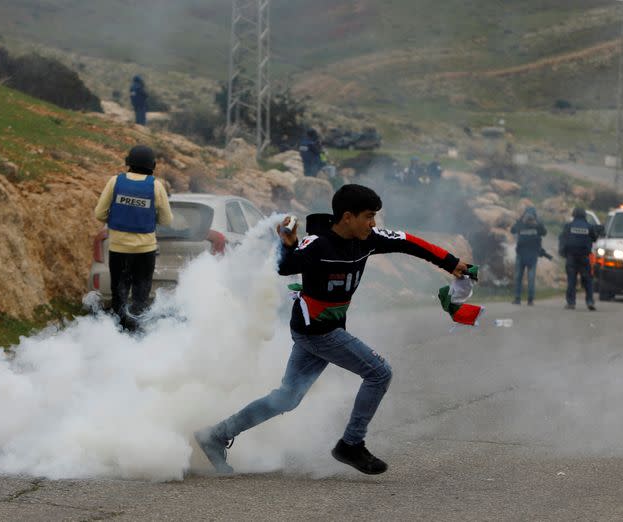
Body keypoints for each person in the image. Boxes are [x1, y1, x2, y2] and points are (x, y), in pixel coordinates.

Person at [195, 184, 469, 475]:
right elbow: (285, 267)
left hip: (319, 329)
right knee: (379, 373)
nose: (374, 223)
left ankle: (215, 435)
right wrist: (286, 243)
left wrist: (450, 263)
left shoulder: (368, 239)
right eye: (369, 216)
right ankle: (351, 444)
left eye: (375, 216)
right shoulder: (317, 244)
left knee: (286, 397)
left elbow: (409, 242)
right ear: (347, 217)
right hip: (318, 331)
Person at [94, 145, 172, 331]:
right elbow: (167, 220)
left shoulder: (115, 182)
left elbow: (99, 214)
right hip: (145, 252)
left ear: (128, 163)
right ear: (152, 165)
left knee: (119, 297)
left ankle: (118, 335)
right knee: (140, 298)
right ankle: (137, 337)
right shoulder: (156, 186)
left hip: (119, 251)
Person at [559, 208, 598, 311]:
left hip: (571, 257)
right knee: (588, 280)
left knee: (571, 280)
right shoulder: (589, 227)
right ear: (585, 215)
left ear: (574, 215)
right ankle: (590, 301)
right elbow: (594, 238)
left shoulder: (568, 226)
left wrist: (562, 253)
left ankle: (571, 303)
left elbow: (562, 239)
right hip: (584, 258)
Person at [510, 206, 547, 305]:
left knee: (522, 278)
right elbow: (512, 230)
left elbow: (544, 233)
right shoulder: (522, 223)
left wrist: (537, 224)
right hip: (525, 254)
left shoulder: (535, 224)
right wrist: (520, 221)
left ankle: (524, 299)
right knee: (524, 278)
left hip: (528, 255)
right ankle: (523, 299)